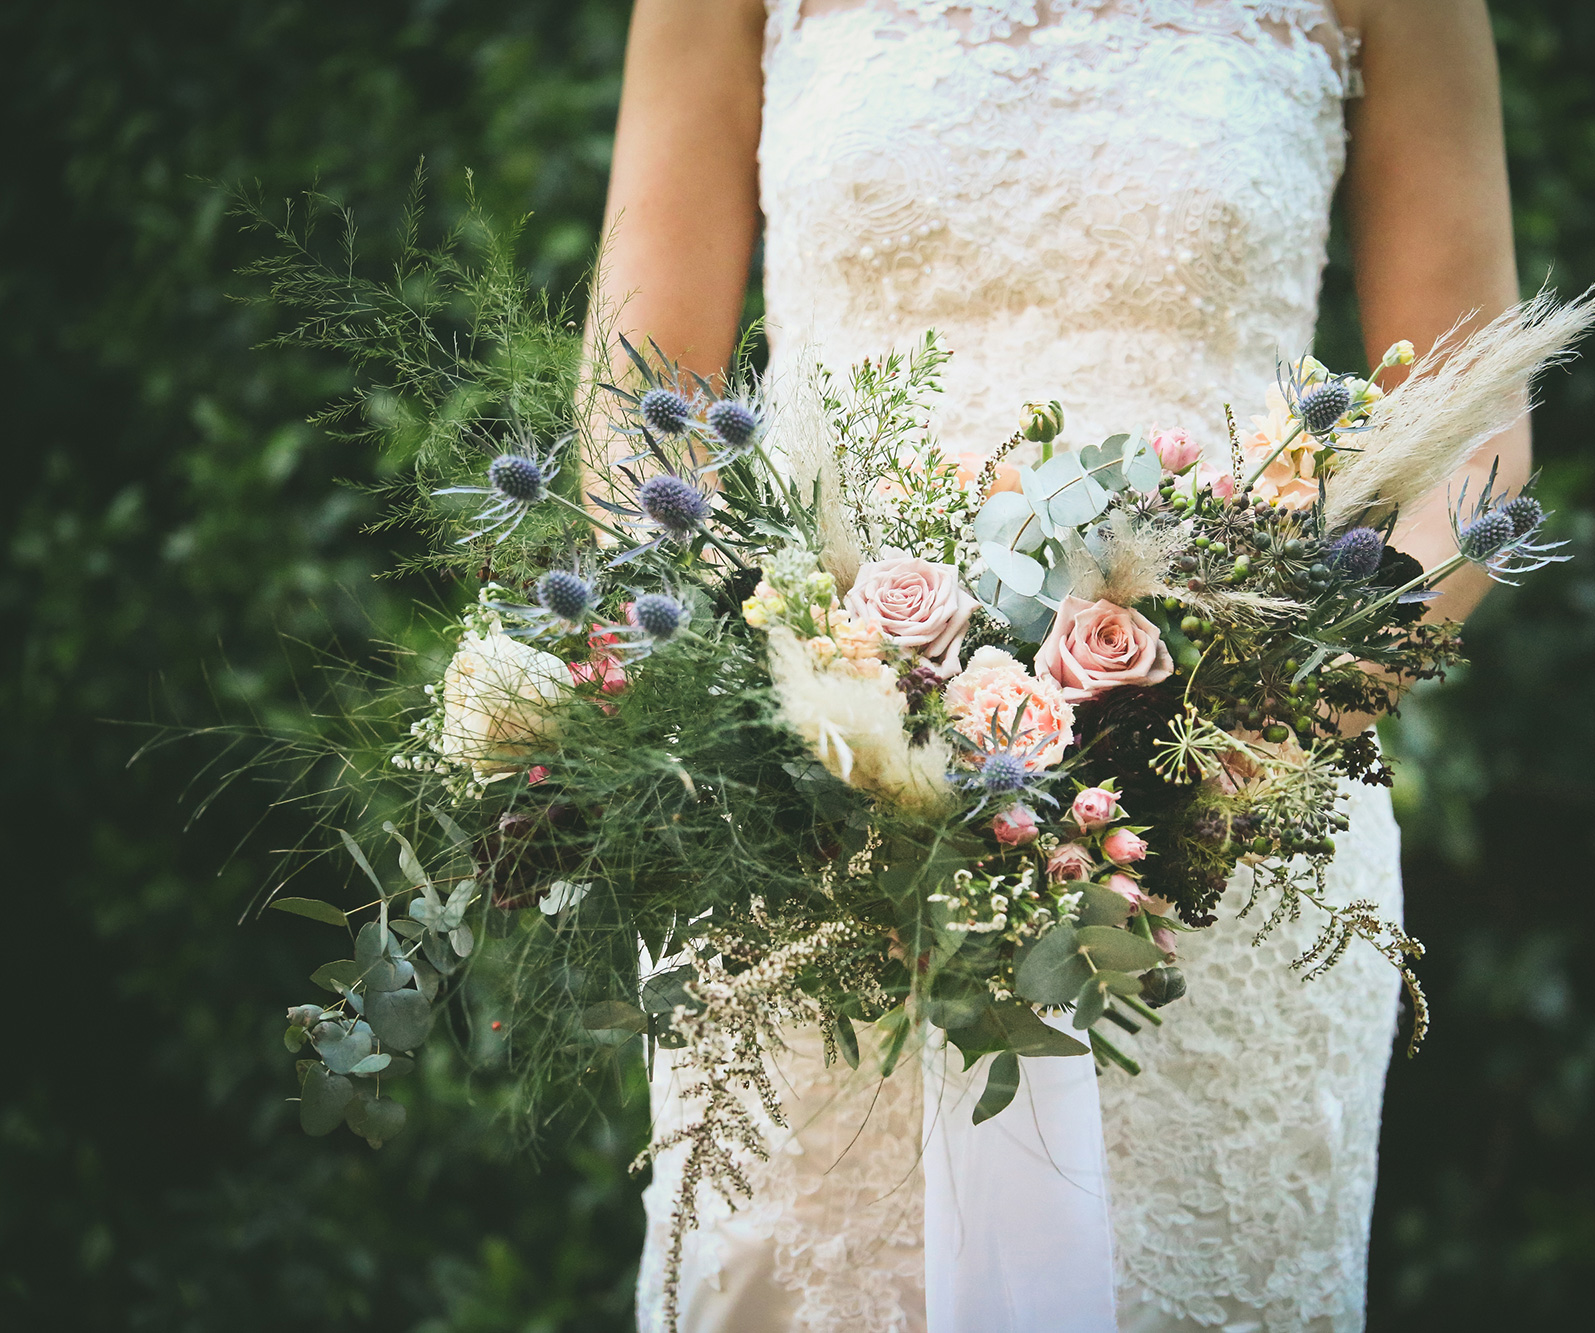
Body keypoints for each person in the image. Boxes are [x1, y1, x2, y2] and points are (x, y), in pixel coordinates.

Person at [587, 3, 1525, 1329]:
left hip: (1225, 839)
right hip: (806, 826)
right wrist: (774, 683)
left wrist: (1278, 709)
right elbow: (642, 398)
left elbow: (1475, 418)